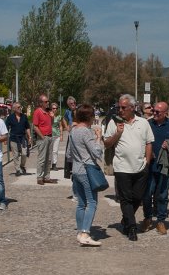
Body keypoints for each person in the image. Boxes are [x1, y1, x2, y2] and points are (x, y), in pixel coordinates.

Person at [103, 94, 154, 241]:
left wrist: (147, 162)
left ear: (132, 108)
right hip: (122, 167)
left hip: (140, 167)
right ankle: (131, 227)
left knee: (137, 197)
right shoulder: (114, 122)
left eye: (123, 107)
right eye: (119, 107)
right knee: (125, 199)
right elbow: (107, 143)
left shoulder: (143, 123)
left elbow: (149, 142)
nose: (120, 110)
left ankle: (126, 218)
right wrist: (118, 133)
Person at [66, 103, 104, 246]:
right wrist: (98, 138)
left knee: (81, 203)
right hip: (86, 170)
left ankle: (80, 231)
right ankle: (85, 233)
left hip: (76, 169)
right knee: (92, 202)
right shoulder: (86, 132)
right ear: (89, 117)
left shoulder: (73, 131)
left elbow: (69, 154)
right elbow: (96, 152)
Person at [142, 101, 169, 235]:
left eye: (157, 112)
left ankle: (160, 221)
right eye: (153, 111)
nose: (154, 113)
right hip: (149, 166)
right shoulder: (148, 124)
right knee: (147, 194)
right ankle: (147, 218)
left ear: (165, 113)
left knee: (163, 195)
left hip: (165, 167)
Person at [32, 93, 57, 185]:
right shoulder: (37, 112)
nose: (48, 103)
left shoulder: (48, 112)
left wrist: (52, 117)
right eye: (46, 101)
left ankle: (46, 177)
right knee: (42, 158)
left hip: (50, 136)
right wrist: (42, 137)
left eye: (48, 101)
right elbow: (35, 126)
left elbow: (51, 123)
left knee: (49, 158)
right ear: (41, 103)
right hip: (43, 137)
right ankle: (39, 177)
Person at [5, 102, 32, 175]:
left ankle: (22, 166)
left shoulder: (24, 117)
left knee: (24, 153)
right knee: (15, 155)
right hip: (13, 138)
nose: (20, 108)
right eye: (18, 107)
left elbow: (27, 127)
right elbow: (6, 128)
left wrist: (29, 137)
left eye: (20, 107)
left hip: (22, 138)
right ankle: (17, 170)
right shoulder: (10, 117)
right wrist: (5, 138)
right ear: (14, 109)